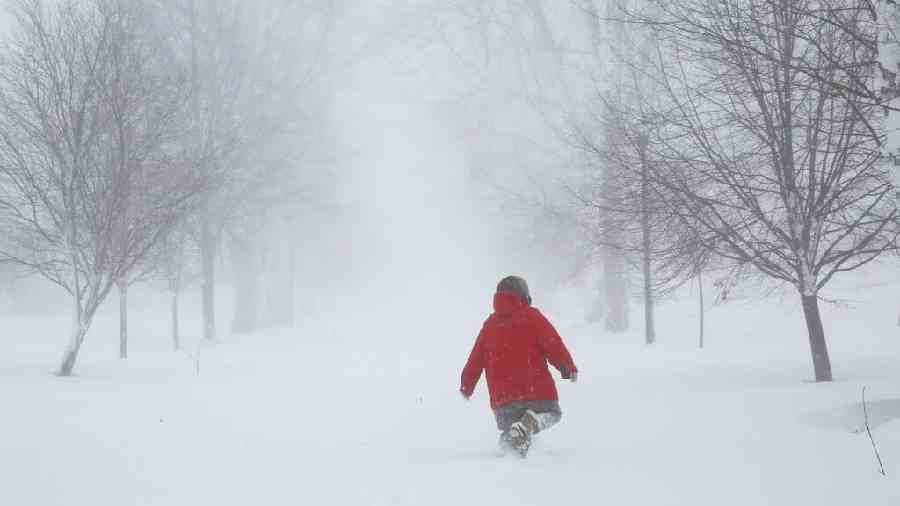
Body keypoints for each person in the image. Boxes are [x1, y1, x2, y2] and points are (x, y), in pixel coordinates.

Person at [460, 275, 578, 457]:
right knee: (553, 414)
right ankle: (532, 423)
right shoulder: (532, 317)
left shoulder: (490, 326)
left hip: (504, 402)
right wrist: (567, 366)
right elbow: (553, 343)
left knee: (513, 433)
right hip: (537, 395)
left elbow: (475, 360)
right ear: (524, 296)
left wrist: (467, 386)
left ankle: (512, 454)